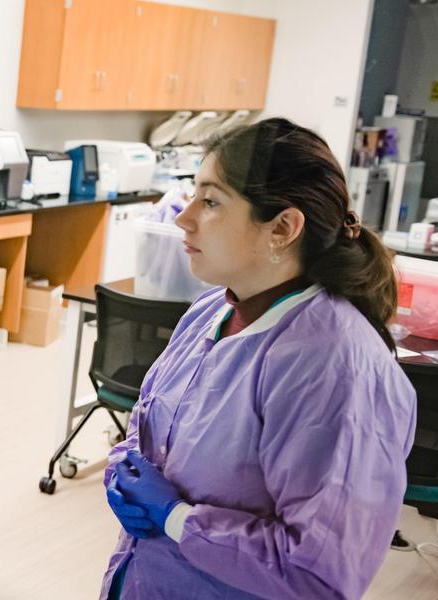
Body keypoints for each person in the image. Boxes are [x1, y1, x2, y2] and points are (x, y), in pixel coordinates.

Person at [100, 118, 417, 599]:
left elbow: (319, 573)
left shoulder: (338, 368)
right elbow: (150, 425)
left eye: (210, 202)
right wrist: (124, 470)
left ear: (283, 228)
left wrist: (178, 519)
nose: (183, 218)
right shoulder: (212, 310)